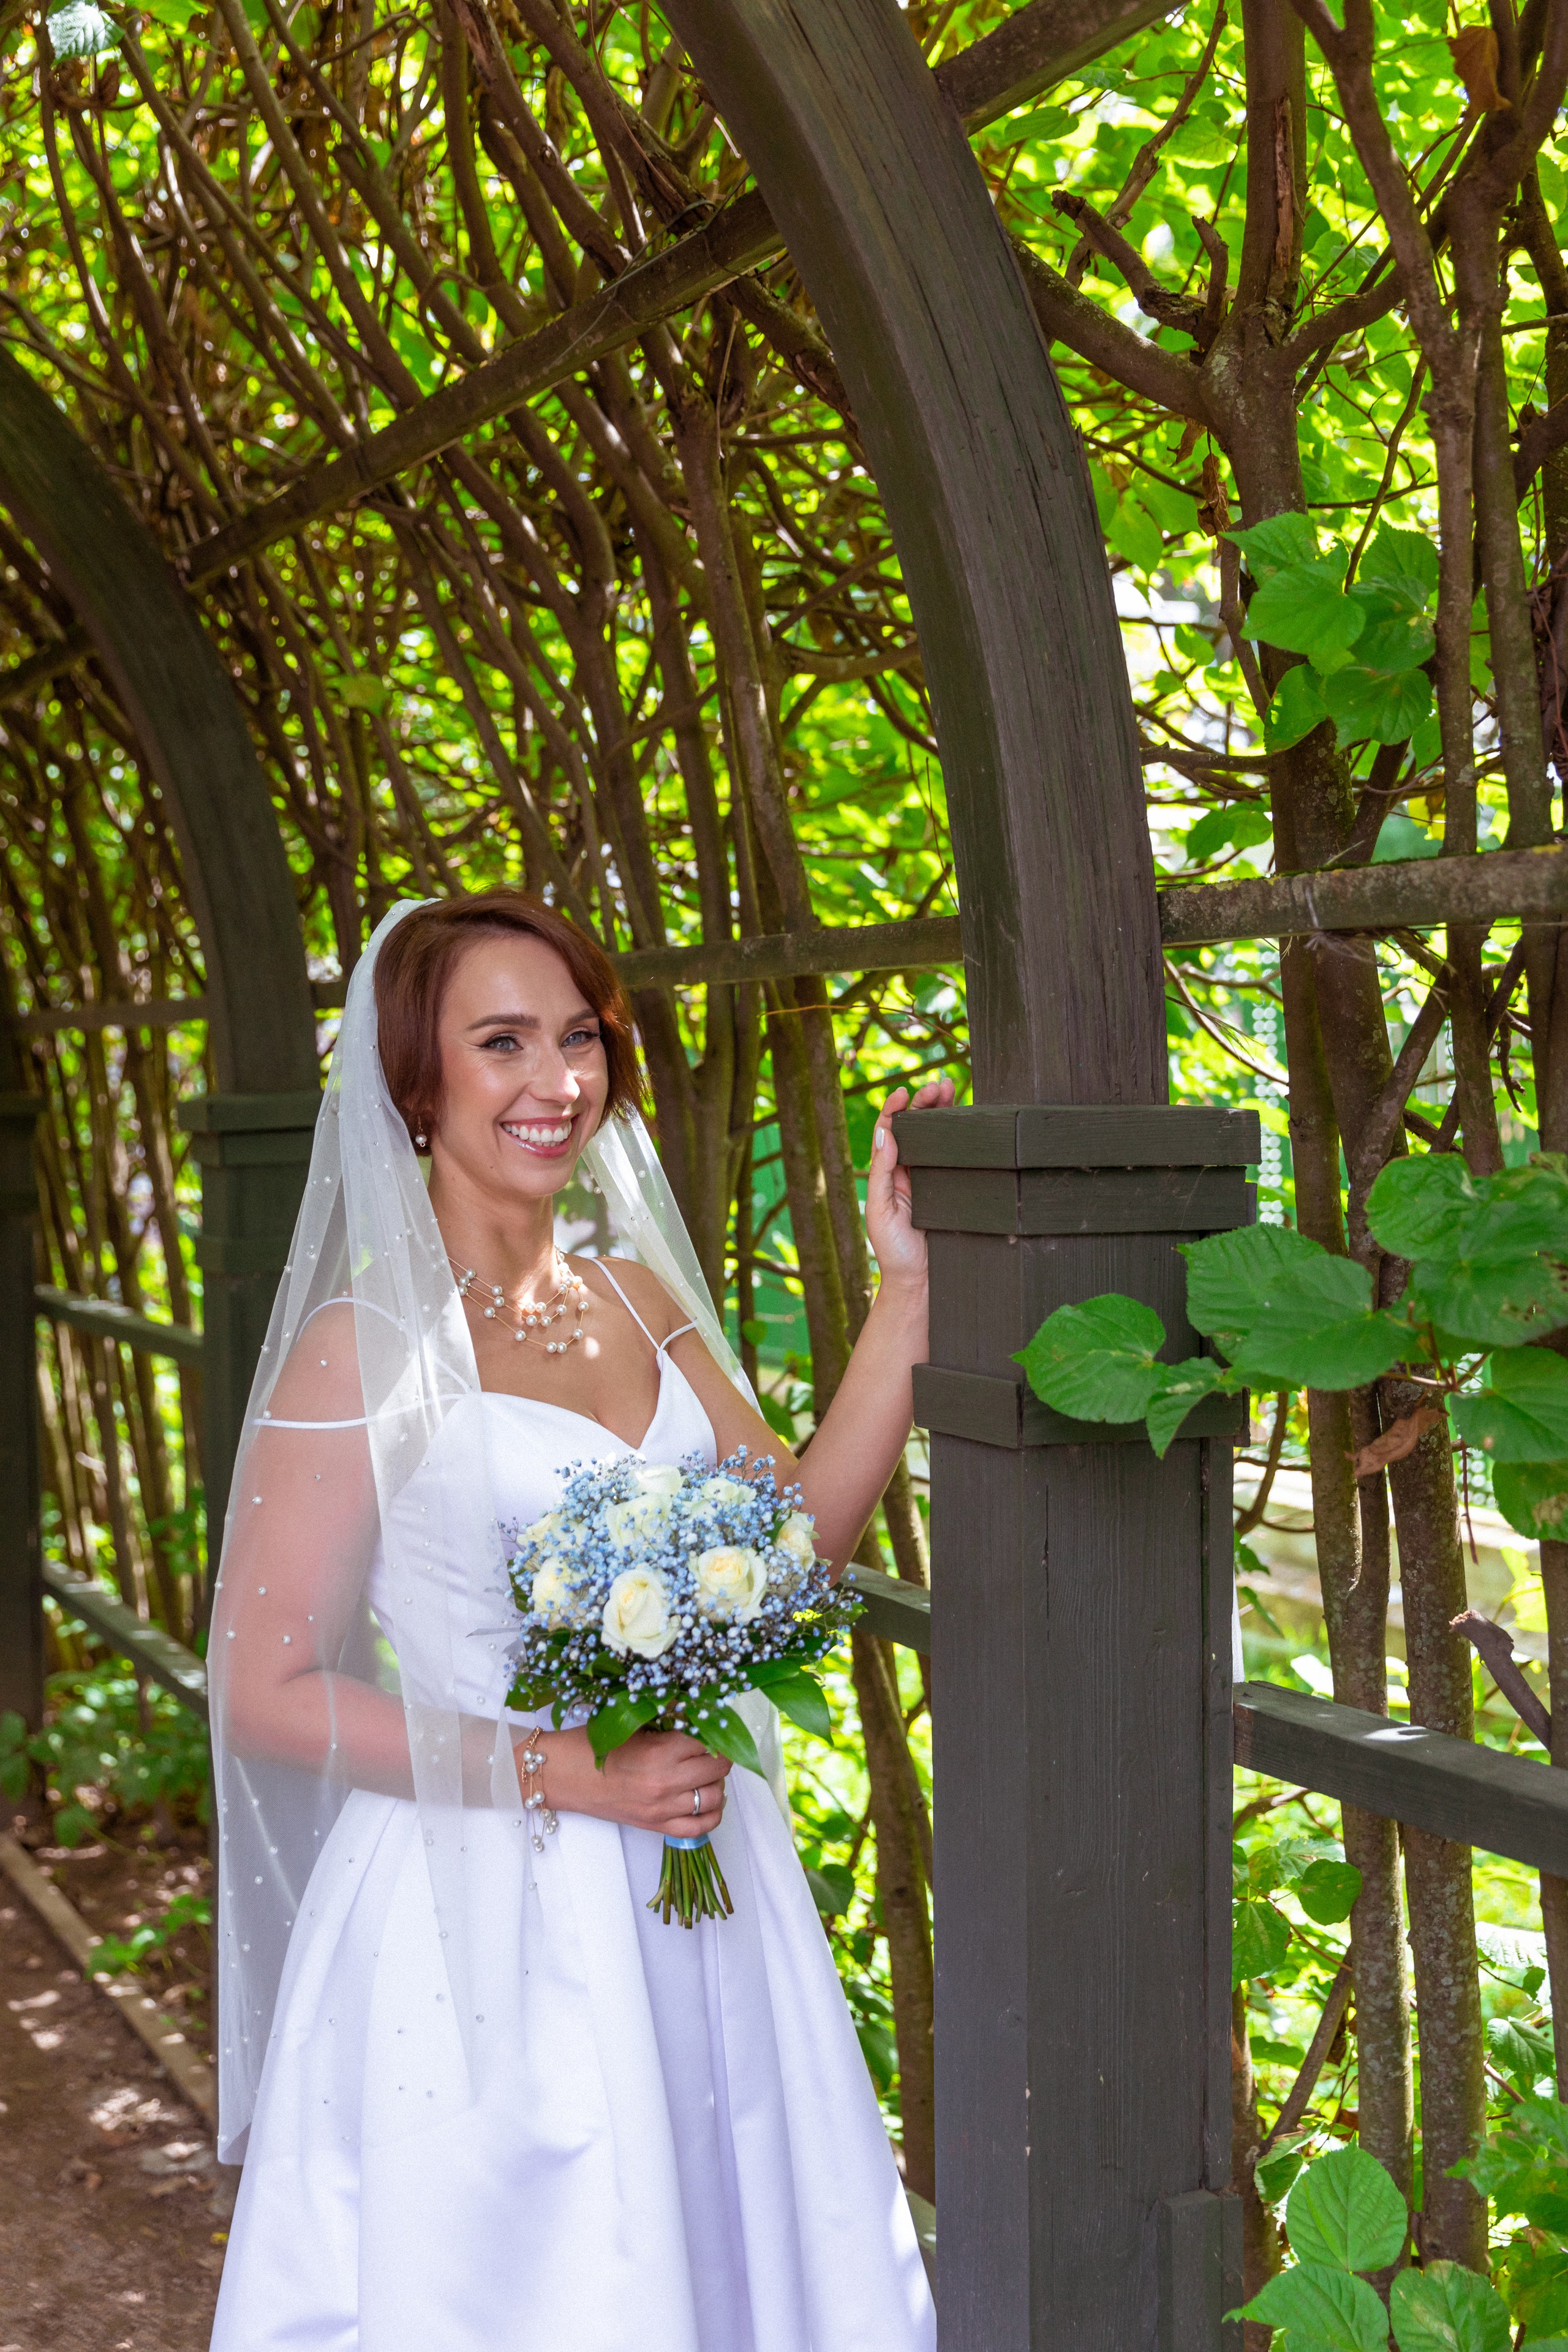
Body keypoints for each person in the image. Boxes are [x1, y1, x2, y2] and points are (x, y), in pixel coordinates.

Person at [206, 890, 946, 2351]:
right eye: (502, 1044)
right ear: (414, 1083)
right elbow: (266, 1689)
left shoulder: (637, 1292)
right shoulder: (367, 1347)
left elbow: (789, 1553)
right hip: (478, 1912)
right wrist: (565, 1772)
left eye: (579, 1037)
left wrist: (905, 1294)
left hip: (700, 1876)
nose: (560, 1082)